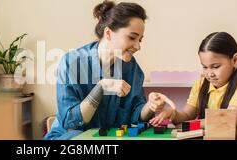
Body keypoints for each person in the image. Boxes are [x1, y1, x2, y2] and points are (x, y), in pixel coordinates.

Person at [43, 0, 164, 140]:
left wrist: (151, 105)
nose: (137, 46)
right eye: (132, 37)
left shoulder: (132, 69)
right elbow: (71, 122)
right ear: (108, 33)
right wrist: (101, 88)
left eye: (140, 40)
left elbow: (135, 116)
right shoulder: (72, 62)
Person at [150, 32, 237, 140]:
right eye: (205, 67)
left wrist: (188, 125)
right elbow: (186, 115)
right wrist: (173, 114)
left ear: (235, 60)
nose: (209, 74)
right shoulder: (201, 84)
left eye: (215, 66)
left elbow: (227, 120)